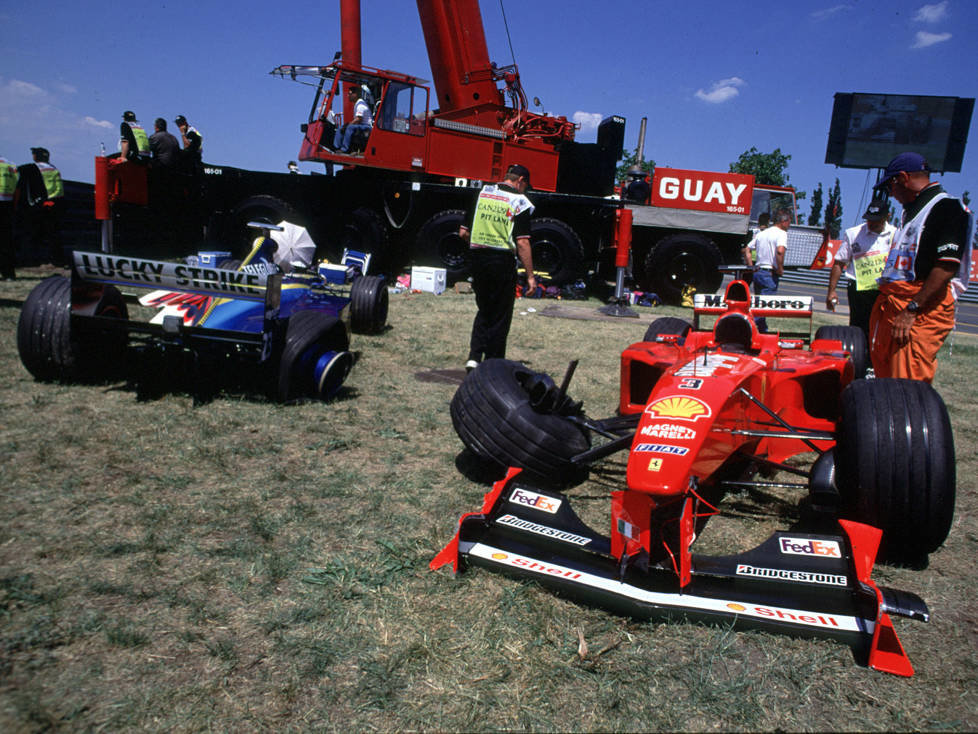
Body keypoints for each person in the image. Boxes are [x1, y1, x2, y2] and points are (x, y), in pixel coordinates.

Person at [869, 152, 974, 383]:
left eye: (890, 187)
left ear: (903, 178)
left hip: (920, 308)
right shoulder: (910, 212)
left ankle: (905, 419)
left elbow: (945, 268)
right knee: (886, 377)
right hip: (895, 304)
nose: (891, 194)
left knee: (907, 382)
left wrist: (912, 309)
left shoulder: (947, 208)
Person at [460, 163, 536, 371]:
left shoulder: (481, 194)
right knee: (501, 314)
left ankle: (474, 357)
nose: (525, 190)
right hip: (502, 261)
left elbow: (463, 233)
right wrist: (530, 276)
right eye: (525, 186)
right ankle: (493, 363)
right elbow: (522, 242)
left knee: (484, 308)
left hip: (478, 259)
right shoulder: (519, 201)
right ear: (520, 181)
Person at [825, 199, 896, 340]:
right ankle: (859, 357)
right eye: (869, 219)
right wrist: (832, 291)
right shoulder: (853, 234)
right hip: (859, 289)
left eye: (877, 220)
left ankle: (876, 359)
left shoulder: (896, 235)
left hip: (884, 290)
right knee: (858, 327)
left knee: (883, 327)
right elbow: (839, 263)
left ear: (887, 217)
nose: (872, 223)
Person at [16, 147, 64, 266]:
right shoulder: (54, 169)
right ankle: (56, 260)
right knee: (52, 234)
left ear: (36, 157)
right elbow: (59, 189)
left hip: (37, 205)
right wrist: (52, 201)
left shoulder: (30, 168)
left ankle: (32, 260)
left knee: (33, 233)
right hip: (52, 204)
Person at [750, 209, 790, 332]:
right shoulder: (782, 233)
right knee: (764, 306)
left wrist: (751, 266)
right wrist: (780, 269)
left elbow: (747, 249)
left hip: (757, 272)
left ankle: (762, 330)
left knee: (759, 304)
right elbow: (780, 251)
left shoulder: (762, 233)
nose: (789, 225)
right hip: (769, 273)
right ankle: (747, 326)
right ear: (783, 221)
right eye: (789, 222)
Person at [332, 86, 373, 153]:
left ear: (355, 94)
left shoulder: (360, 105)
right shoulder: (357, 104)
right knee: (340, 128)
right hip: (361, 125)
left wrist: (348, 125)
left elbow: (358, 119)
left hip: (366, 126)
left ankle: (344, 149)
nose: (348, 95)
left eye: (349, 94)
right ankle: (336, 148)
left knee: (350, 127)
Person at [0, 155, 17, 279]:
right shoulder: (10, 164)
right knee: (6, 240)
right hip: (7, 204)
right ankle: (8, 273)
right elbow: (18, 188)